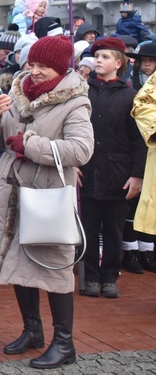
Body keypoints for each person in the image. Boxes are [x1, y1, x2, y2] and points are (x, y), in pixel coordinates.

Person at [0, 36, 94, 369]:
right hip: (10, 189)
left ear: (60, 68)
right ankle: (32, 331)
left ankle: (64, 343)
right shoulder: (16, 92)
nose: (35, 71)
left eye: (43, 66)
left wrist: (30, 144)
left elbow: (82, 151)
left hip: (48, 194)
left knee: (54, 268)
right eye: (33, 64)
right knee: (15, 261)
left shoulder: (75, 102)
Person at [79, 38, 146, 298]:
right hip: (88, 171)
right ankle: (90, 277)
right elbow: (70, 132)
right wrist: (73, 164)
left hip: (118, 174)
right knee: (88, 228)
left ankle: (109, 276)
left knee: (114, 230)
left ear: (119, 63)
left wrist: (137, 175)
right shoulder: (83, 92)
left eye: (105, 57)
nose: (98, 60)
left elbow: (139, 140)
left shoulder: (130, 96)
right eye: (97, 56)